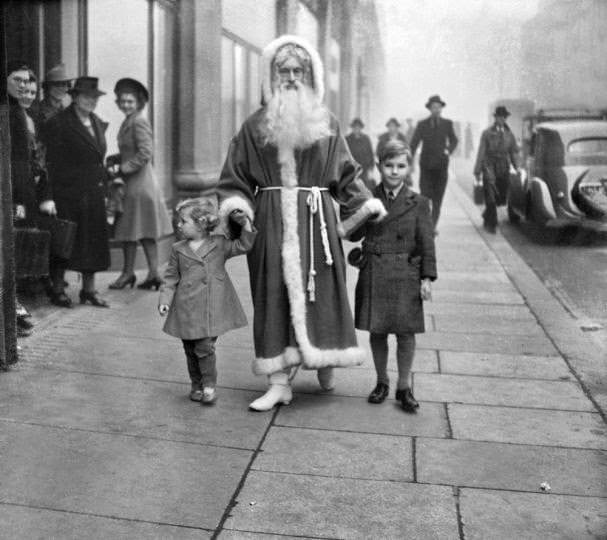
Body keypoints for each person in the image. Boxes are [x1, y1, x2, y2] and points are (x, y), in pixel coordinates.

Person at [216, 35, 386, 411]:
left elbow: (347, 175)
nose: (291, 78)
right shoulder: (254, 126)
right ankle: (279, 381)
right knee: (272, 295)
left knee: (323, 292)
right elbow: (234, 179)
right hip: (272, 222)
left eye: (298, 71)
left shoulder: (327, 124)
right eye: (284, 71)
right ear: (271, 76)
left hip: (317, 222)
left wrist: (364, 208)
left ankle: (325, 360)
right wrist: (237, 209)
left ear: (310, 76)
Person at [351, 140, 436, 411]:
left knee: (405, 333)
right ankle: (381, 381)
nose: (395, 171)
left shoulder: (419, 203)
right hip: (375, 270)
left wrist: (426, 278)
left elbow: (426, 244)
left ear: (409, 168)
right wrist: (363, 211)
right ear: (379, 166)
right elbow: (352, 234)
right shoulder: (368, 198)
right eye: (389, 165)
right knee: (378, 331)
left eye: (401, 166)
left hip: (406, 274)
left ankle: (403, 386)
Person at [158, 197, 257, 404]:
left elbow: (244, 246)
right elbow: (170, 277)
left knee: (204, 348)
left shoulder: (219, 245)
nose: (179, 225)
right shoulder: (178, 248)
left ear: (202, 224)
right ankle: (196, 385)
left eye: (183, 221)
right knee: (190, 350)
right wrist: (165, 299)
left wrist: (246, 224)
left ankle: (209, 385)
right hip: (185, 308)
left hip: (211, 307)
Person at [45, 77, 111, 308]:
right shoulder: (60, 123)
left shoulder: (95, 121)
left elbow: (97, 158)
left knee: (92, 242)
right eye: (86, 97)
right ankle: (57, 289)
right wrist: (50, 195)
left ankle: (89, 290)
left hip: (93, 192)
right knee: (65, 241)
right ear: (74, 97)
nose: (91, 101)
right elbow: (50, 162)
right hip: (68, 192)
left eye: (94, 97)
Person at [108, 78, 172, 290]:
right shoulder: (130, 121)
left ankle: (134, 274)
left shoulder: (138, 121)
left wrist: (122, 168)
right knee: (138, 230)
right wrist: (116, 158)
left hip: (139, 185)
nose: (126, 105)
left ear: (138, 103)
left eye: (130, 101)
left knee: (133, 230)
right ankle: (148, 274)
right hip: (136, 184)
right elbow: (132, 150)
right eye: (123, 101)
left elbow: (146, 152)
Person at [8, 61, 55, 336]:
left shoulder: (24, 115)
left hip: (23, 188)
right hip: (11, 189)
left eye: (28, 81)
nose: (24, 86)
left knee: (17, 245)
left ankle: (13, 311)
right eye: (18, 79)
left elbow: (35, 158)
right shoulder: (10, 113)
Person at [410, 95, 458, 232]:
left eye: (438, 107)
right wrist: (408, 162)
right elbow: (413, 144)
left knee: (438, 200)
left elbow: (454, 140)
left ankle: (432, 227)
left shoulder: (447, 124)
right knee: (424, 197)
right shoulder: (422, 125)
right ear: (430, 109)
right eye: (433, 107)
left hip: (441, 169)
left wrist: (448, 150)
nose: (436, 110)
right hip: (426, 168)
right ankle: (425, 224)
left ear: (441, 109)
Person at [474, 106, 520, 233]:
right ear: (495, 118)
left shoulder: (510, 135)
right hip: (489, 165)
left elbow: (513, 152)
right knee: (490, 192)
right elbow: (481, 151)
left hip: (503, 167)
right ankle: (492, 223)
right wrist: (477, 170)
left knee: (501, 196)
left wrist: (517, 167)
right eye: (499, 117)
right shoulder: (487, 133)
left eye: (504, 117)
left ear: (506, 118)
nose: (501, 119)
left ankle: (486, 215)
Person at [35, 63, 72, 127]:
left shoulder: (68, 112)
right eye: (56, 84)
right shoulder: (37, 111)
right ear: (47, 87)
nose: (60, 88)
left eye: (64, 84)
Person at [345, 118, 375, 190]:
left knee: (364, 187)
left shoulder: (366, 139)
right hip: (351, 169)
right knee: (351, 187)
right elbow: (344, 154)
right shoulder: (347, 139)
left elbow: (370, 153)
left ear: (361, 128)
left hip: (364, 168)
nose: (356, 129)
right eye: (355, 127)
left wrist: (371, 168)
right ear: (352, 128)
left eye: (358, 127)